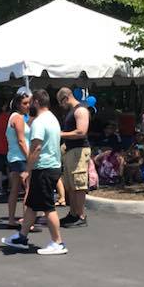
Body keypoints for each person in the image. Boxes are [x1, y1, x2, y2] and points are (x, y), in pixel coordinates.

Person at [1, 89, 68, 256]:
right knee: (31, 204)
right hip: (50, 166)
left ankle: (58, 243)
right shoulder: (52, 118)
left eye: (30, 102)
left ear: (36, 102)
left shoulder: (39, 122)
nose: (29, 105)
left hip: (43, 168)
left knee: (48, 207)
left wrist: (27, 170)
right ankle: (21, 237)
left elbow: (36, 147)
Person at [58, 87, 91, 228]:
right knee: (71, 185)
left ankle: (81, 215)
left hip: (79, 151)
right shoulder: (72, 111)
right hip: (70, 151)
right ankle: (73, 214)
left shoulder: (80, 110)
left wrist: (60, 134)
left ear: (65, 98)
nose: (61, 105)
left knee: (79, 184)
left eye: (61, 102)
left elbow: (81, 131)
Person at [5, 90, 32, 227]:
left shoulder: (14, 117)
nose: (28, 105)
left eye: (29, 103)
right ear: (17, 104)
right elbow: (21, 141)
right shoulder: (18, 118)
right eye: (24, 103)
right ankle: (28, 221)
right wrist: (29, 158)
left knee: (15, 189)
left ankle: (11, 220)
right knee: (28, 189)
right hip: (21, 157)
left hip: (14, 157)